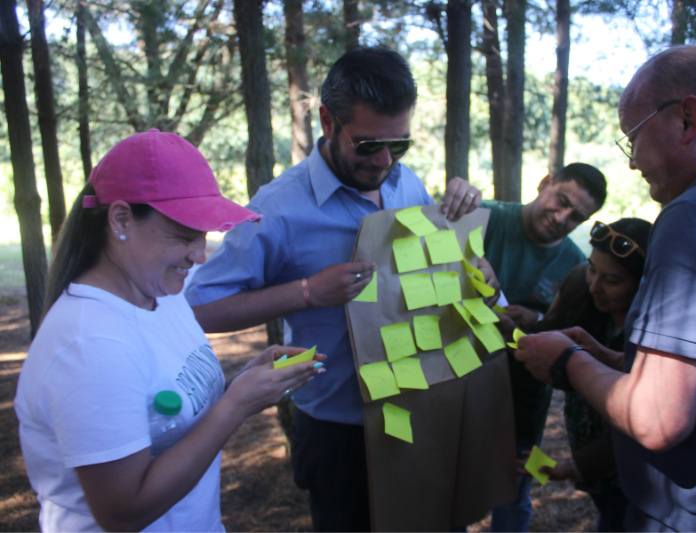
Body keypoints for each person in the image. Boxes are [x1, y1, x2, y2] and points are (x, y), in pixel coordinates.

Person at [185, 46, 488, 532]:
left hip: (423, 412)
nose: (385, 160)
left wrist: (471, 254)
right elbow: (199, 309)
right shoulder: (278, 208)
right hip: (340, 437)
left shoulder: (405, 183)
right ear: (327, 121)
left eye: (400, 145)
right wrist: (306, 292)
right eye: (369, 145)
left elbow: (442, 275)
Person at [514, 45, 696, 531]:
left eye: (634, 138)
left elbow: (659, 417)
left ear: (687, 118)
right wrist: (610, 360)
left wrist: (566, 361)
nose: (632, 164)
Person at [14, 130, 325, 532]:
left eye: (204, 235)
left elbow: (167, 407)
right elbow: (123, 513)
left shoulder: (163, 297)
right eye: (183, 235)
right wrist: (235, 407)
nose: (199, 255)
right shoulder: (89, 343)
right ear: (121, 219)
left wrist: (245, 381)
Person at [481, 163, 606, 532]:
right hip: (460, 385)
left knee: (517, 490)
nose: (562, 217)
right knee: (456, 489)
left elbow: (577, 336)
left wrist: (536, 323)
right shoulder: (486, 218)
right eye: (561, 200)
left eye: (577, 216)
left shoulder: (578, 267)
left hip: (525, 400)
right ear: (545, 182)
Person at [510, 218, 652, 532]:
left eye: (612, 280)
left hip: (632, 474)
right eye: (591, 269)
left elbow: (632, 429)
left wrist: (570, 467)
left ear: (644, 284)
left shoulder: (655, 338)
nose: (594, 286)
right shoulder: (584, 296)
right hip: (598, 470)